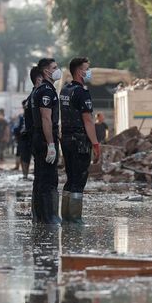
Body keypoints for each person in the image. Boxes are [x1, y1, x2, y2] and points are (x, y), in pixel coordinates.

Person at [58, 56, 101, 223]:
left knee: (70, 177)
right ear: (78, 71)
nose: (88, 72)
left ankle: (66, 216)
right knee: (79, 178)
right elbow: (88, 120)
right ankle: (75, 218)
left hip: (66, 139)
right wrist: (96, 143)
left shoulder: (65, 90)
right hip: (80, 140)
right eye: (86, 68)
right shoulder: (82, 92)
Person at [31, 57, 62, 224]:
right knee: (48, 179)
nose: (57, 70)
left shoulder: (42, 89)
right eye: (54, 67)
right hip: (44, 139)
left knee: (41, 178)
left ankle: (41, 216)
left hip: (40, 137)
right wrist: (51, 144)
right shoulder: (46, 91)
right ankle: (48, 217)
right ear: (46, 71)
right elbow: (46, 119)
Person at [18, 66, 44, 180]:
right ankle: (27, 174)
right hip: (32, 133)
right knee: (30, 156)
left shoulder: (32, 95)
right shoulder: (37, 95)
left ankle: (26, 175)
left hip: (27, 132)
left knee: (26, 155)